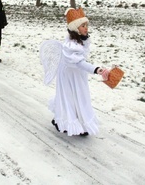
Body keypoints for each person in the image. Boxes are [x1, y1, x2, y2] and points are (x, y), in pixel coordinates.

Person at [40, 7, 111, 136]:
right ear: (75, 28)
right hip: (68, 76)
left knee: (80, 98)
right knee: (69, 98)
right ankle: (62, 120)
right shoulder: (70, 46)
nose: (86, 28)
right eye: (83, 26)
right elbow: (79, 62)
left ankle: (82, 124)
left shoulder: (80, 40)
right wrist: (96, 69)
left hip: (78, 75)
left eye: (86, 25)